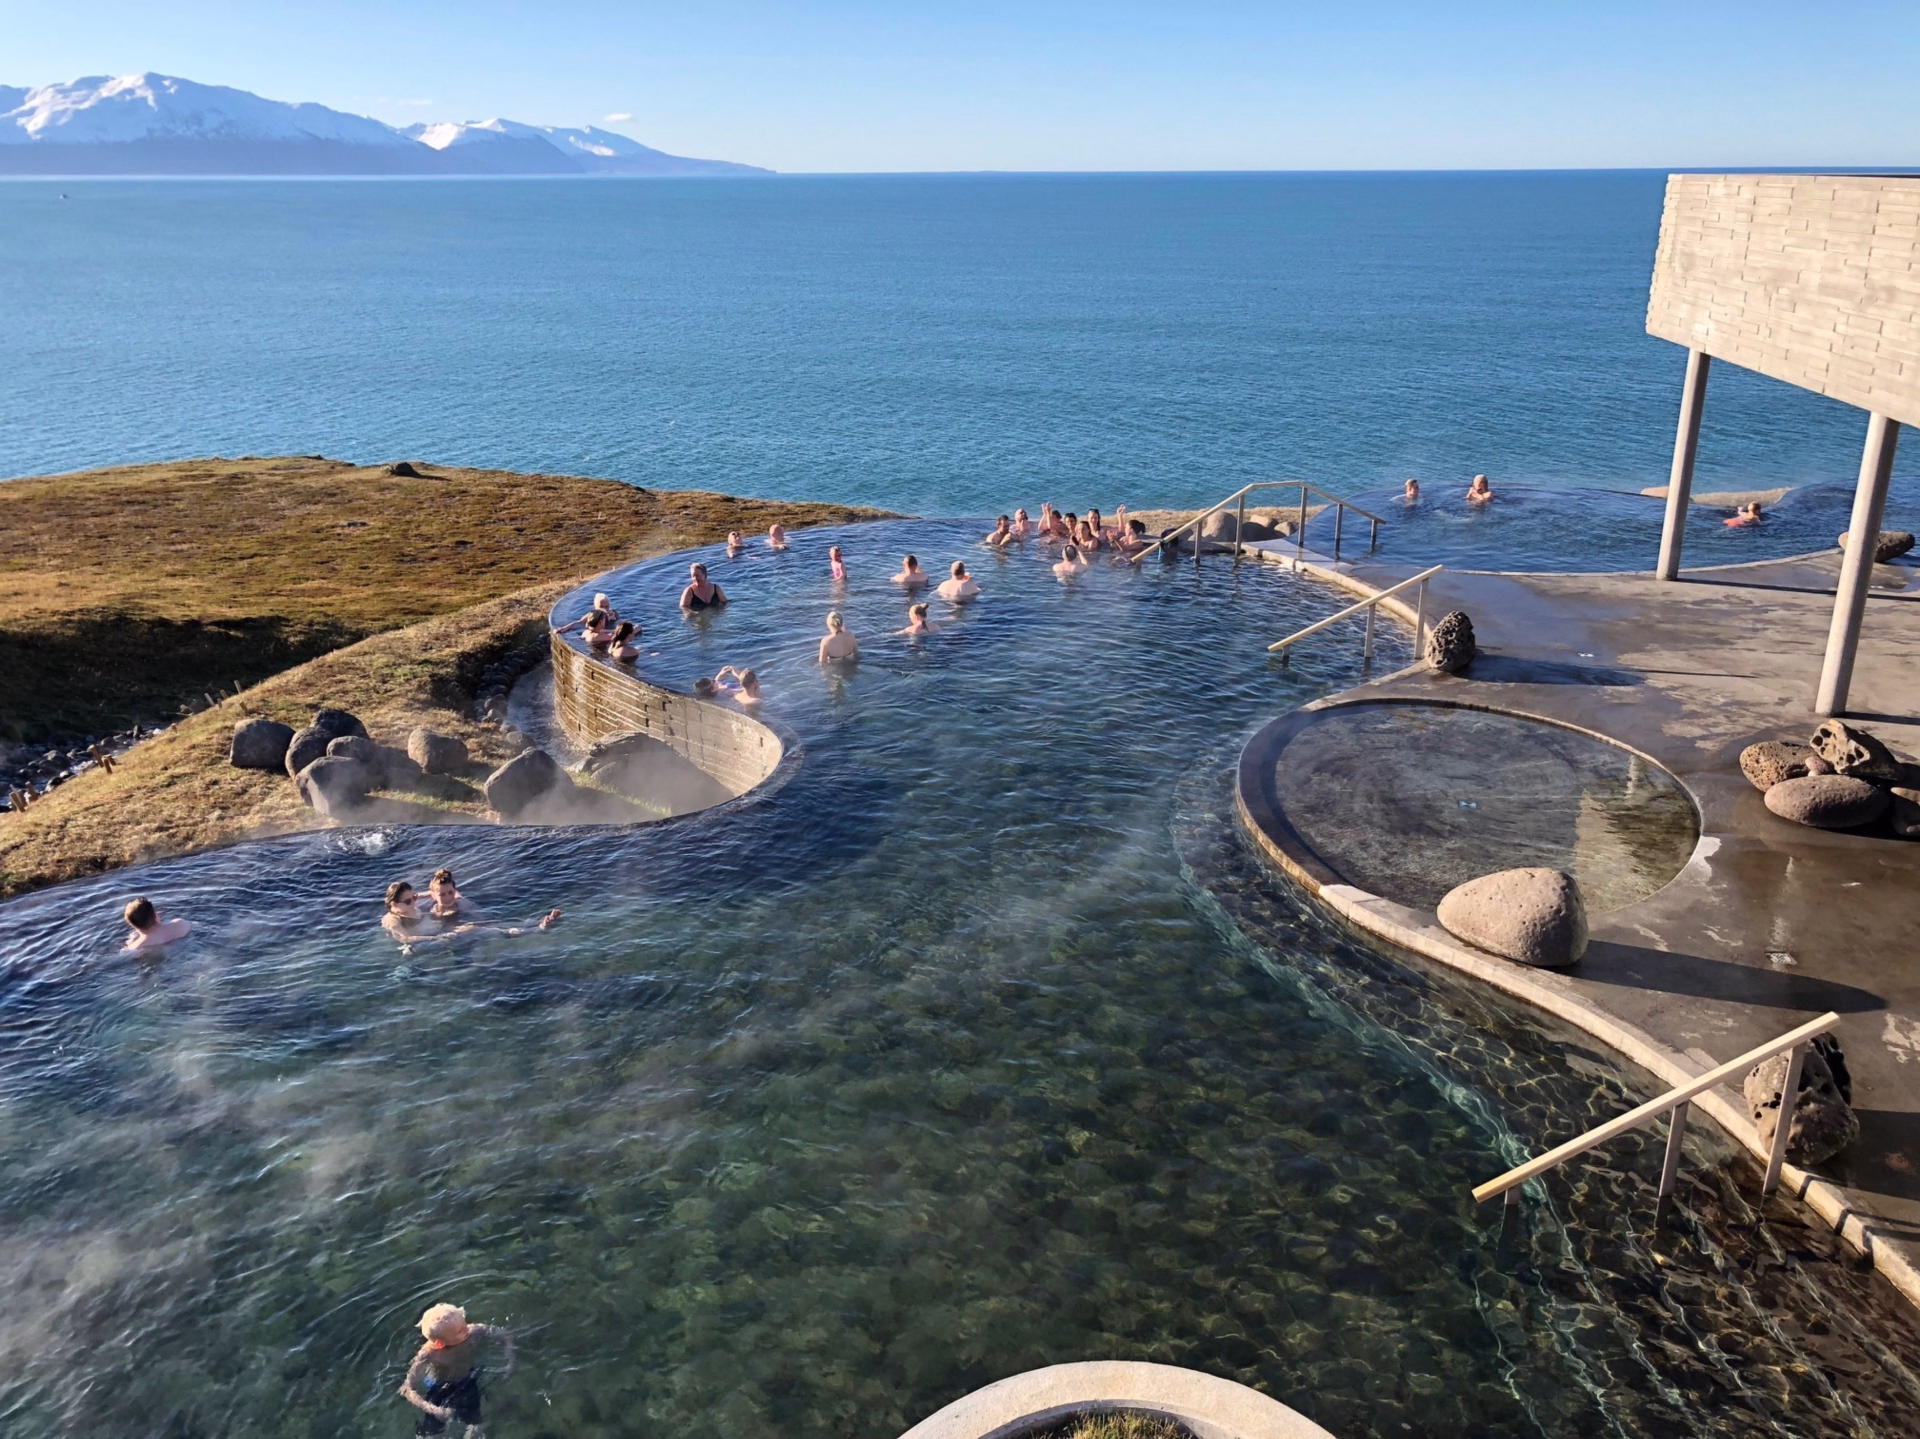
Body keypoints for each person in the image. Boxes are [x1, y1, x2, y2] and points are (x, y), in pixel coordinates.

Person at [399, 1303, 514, 1439]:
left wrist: (509, 1358)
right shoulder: (428, 1354)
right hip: (439, 1387)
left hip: (466, 1381)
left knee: (475, 1424)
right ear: (439, 1344)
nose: (467, 1330)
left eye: (465, 1323)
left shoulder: (472, 1331)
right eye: (460, 1331)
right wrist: (434, 1410)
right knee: (430, 1431)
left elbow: (502, 1334)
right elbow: (406, 1389)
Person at [123, 896, 190, 954]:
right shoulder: (179, 924)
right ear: (155, 915)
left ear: (133, 925)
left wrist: (130, 942)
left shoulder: (134, 948)